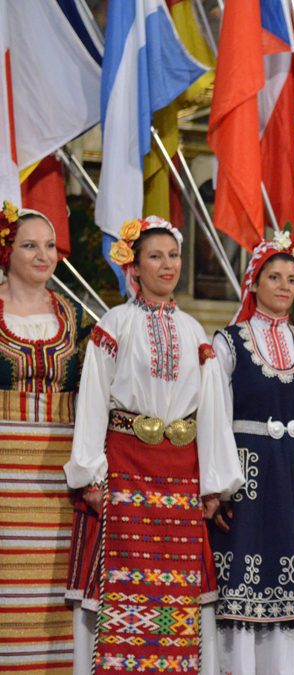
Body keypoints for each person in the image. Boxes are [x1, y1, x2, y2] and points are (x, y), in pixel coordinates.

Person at [64, 216, 243, 675]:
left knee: (178, 588)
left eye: (174, 255)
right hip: (126, 467)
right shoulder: (115, 323)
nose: (168, 265)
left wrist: (214, 485)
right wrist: (89, 471)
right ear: (135, 267)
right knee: (123, 585)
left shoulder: (193, 331)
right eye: (156, 256)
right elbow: (93, 401)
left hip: (181, 476)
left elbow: (212, 413)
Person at [208, 231, 294, 674]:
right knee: (245, 578)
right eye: (275, 277)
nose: (285, 286)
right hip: (245, 474)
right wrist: (219, 485)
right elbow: (214, 419)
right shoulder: (227, 344)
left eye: (291, 278)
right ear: (254, 283)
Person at [0, 202, 93, 673]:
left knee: (54, 592)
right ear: (6, 251)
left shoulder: (76, 319)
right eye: (29, 245)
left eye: (50, 246)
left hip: (58, 477)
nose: (43, 255)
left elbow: (97, 396)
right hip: (3, 475)